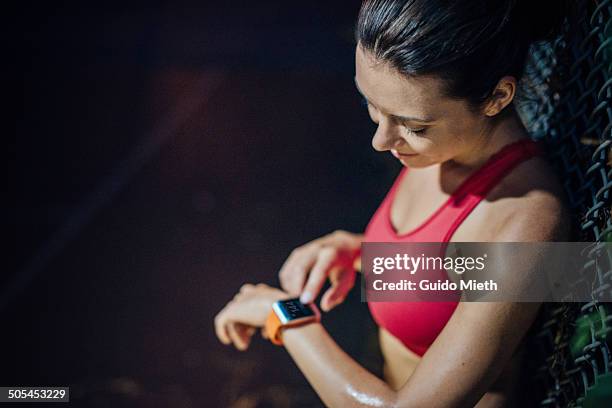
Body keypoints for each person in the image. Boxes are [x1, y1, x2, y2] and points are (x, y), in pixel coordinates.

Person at [214, 0, 571, 406]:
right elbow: (452, 271)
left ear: (497, 97)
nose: (380, 141)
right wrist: (359, 250)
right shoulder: (440, 146)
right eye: (373, 104)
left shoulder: (523, 223)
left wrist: (286, 317)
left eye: (413, 125)